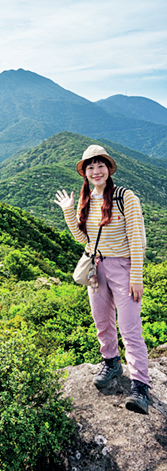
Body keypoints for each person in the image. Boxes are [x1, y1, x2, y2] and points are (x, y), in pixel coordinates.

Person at [55, 144, 150, 415]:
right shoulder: (86, 200)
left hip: (123, 268)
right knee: (102, 321)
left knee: (130, 328)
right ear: (84, 173)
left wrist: (136, 277)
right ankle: (111, 362)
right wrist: (69, 211)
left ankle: (140, 386)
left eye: (100, 166)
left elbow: (136, 238)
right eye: (90, 167)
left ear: (109, 169)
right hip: (97, 268)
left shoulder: (125, 197)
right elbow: (83, 239)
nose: (96, 171)